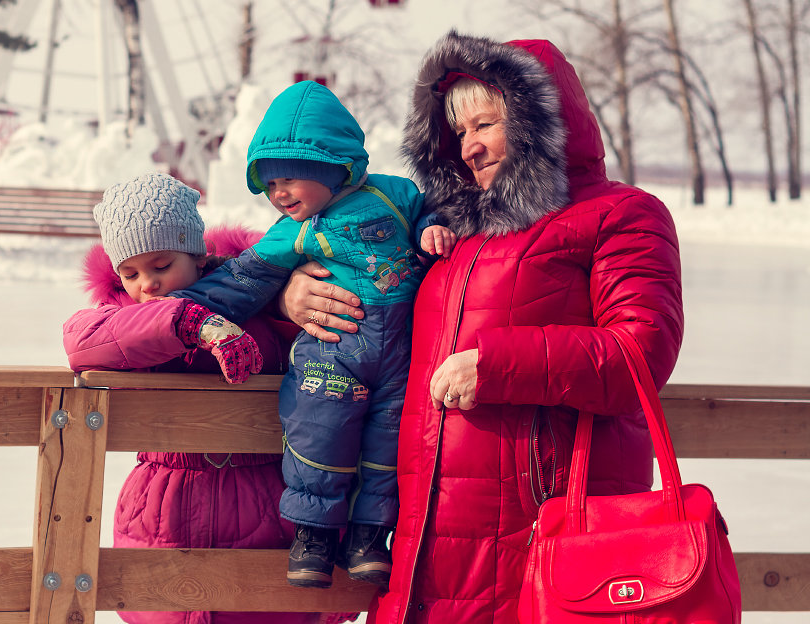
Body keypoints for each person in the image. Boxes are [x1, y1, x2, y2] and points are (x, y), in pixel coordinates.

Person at [280, 31, 684, 624]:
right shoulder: (449, 236)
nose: (468, 148)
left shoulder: (621, 215)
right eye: (458, 133)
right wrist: (294, 295)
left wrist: (496, 365)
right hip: (428, 550)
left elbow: (640, 354)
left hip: (542, 543)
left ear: (540, 119)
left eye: (485, 124)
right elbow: (368, 308)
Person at [168, 80, 455, 591]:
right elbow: (244, 278)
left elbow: (430, 211)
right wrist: (177, 311)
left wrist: (433, 227)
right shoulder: (295, 231)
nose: (277, 194)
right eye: (269, 183)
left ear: (332, 166)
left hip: (404, 360)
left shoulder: (394, 194)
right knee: (318, 432)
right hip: (332, 356)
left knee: (389, 448)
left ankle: (370, 537)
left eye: (289, 179)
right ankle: (314, 535)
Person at [62, 172, 344, 624]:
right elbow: (80, 340)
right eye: (130, 273)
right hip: (164, 509)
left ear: (196, 255)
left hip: (263, 505)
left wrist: (282, 300)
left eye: (161, 265)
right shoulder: (121, 318)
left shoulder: (254, 303)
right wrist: (189, 323)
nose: (147, 285)